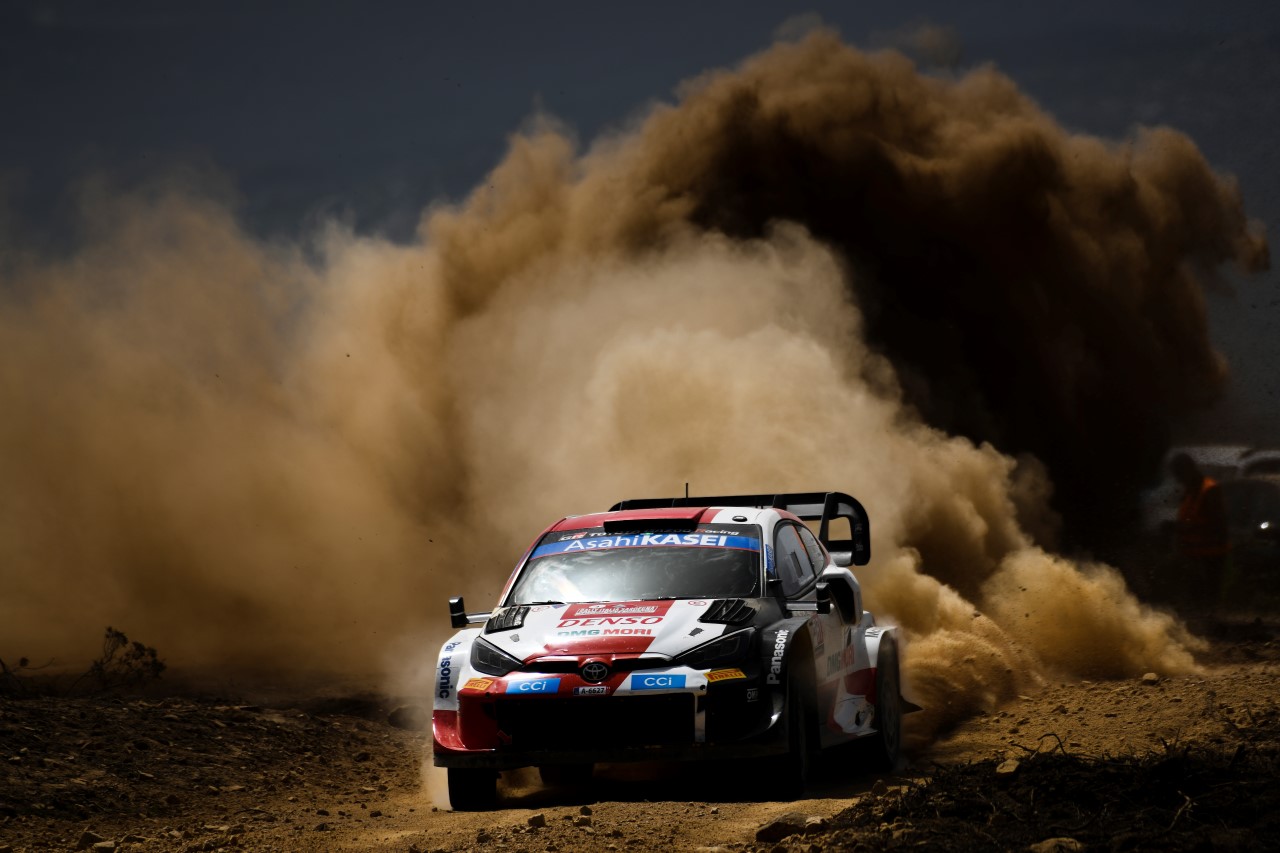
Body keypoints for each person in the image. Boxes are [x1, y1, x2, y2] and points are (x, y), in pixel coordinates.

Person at [1168, 453, 1230, 607]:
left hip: (1211, 557)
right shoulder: (1190, 492)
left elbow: (1218, 524)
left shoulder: (1209, 490)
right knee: (1195, 601)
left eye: (1179, 475)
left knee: (1206, 600)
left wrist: (1185, 528)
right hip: (1194, 556)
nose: (1179, 480)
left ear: (1188, 470)